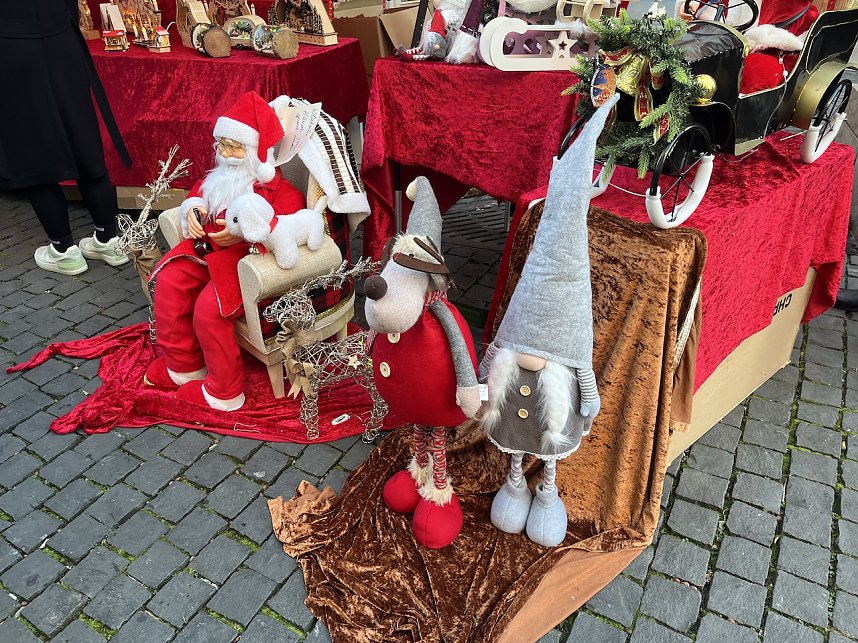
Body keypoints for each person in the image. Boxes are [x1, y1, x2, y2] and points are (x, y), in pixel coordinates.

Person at [145, 91, 306, 411]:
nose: (226, 153)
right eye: (222, 145)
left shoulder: (280, 191)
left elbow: (286, 231)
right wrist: (191, 212)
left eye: (235, 147)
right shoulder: (220, 177)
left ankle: (225, 392)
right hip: (204, 250)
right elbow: (199, 197)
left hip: (245, 263)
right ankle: (183, 366)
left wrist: (244, 237)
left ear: (257, 152)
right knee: (170, 282)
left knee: (210, 309)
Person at [0, 0, 132, 276]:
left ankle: (63, 249)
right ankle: (108, 239)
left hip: (13, 47)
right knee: (82, 138)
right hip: (60, 39)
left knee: (34, 150)